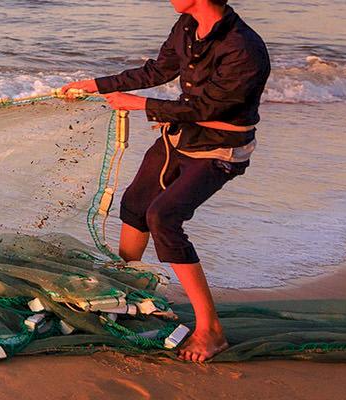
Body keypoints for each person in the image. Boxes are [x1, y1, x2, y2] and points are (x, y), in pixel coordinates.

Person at [61, 0, 268, 362]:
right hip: (180, 137)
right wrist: (95, 84)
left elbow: (207, 109)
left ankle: (211, 329)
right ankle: (127, 291)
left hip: (220, 150)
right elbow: (158, 71)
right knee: (136, 206)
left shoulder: (243, 48)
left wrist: (140, 105)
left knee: (164, 218)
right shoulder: (187, 25)